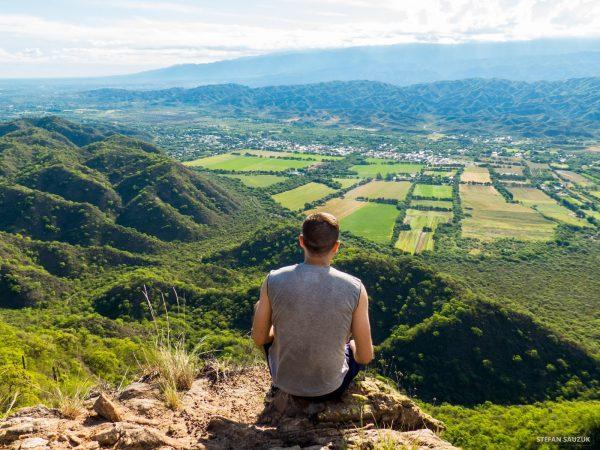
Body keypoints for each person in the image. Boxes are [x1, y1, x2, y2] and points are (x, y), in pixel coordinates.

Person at [251, 212, 373, 401]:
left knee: (261, 306)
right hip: (330, 388)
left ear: (301, 241)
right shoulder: (355, 288)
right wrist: (353, 346)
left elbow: (259, 339)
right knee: (355, 344)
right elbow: (365, 357)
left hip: (284, 382)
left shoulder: (273, 279)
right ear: (336, 247)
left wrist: (280, 330)